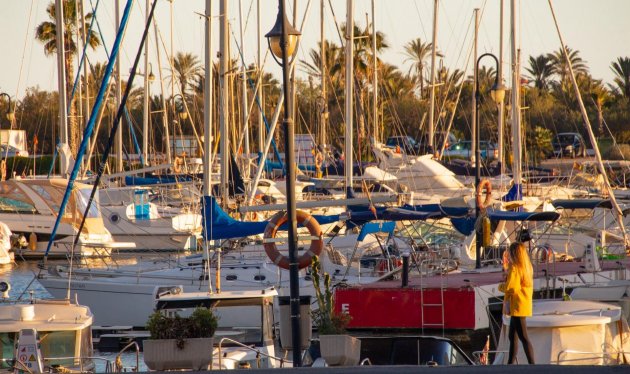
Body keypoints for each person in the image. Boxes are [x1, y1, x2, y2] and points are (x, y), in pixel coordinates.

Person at [500, 242, 535, 364]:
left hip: (517, 306)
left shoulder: (515, 268)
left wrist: (501, 287)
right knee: (512, 336)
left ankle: (532, 364)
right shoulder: (527, 267)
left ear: (514, 253)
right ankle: (510, 363)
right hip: (523, 304)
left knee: (523, 337)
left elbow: (512, 287)